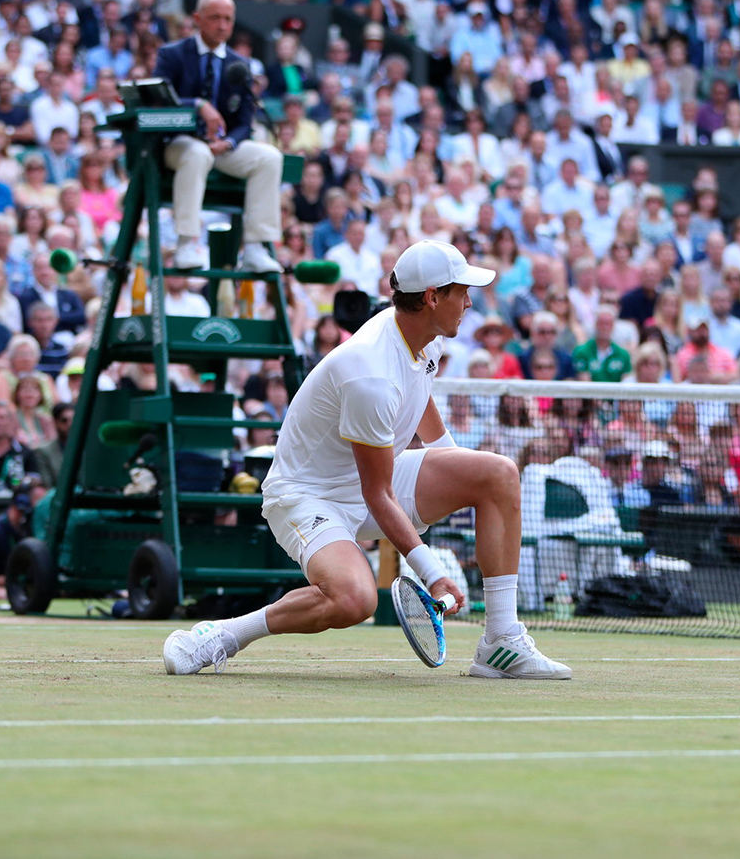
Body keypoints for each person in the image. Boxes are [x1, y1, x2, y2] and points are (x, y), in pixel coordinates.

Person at [161, 241, 570, 679]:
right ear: (432, 297)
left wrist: (458, 468)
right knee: (354, 599)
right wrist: (432, 572)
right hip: (308, 496)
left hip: (374, 478)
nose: (469, 301)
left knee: (496, 474)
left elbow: (419, 399)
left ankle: (501, 642)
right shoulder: (370, 375)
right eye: (461, 292)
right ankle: (225, 634)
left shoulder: (422, 336)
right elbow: (379, 495)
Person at [156, 0, 282, 272]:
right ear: (198, 19)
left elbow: (244, 123)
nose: (222, 25)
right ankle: (186, 243)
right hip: (179, 143)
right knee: (198, 153)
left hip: (220, 148)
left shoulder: (241, 64)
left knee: (270, 157)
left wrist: (228, 143)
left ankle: (254, 247)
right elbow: (160, 99)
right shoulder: (172, 54)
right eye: (215, 18)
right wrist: (198, 105)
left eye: (227, 19)